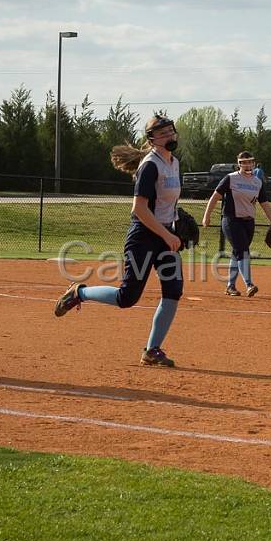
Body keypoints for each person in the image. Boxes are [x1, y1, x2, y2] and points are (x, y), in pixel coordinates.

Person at [54, 115, 184, 367]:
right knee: (127, 297)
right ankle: (79, 292)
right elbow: (140, 209)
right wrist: (166, 234)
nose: (170, 136)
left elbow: (168, 202)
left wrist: (175, 227)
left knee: (174, 290)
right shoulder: (150, 165)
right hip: (144, 237)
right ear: (152, 139)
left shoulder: (175, 163)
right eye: (163, 133)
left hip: (165, 237)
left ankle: (152, 350)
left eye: (171, 131)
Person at [201, 151, 271, 297]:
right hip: (231, 220)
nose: (248, 164)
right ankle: (249, 284)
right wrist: (207, 216)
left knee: (238, 253)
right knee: (243, 251)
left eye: (250, 161)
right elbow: (215, 197)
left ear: (254, 163)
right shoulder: (230, 178)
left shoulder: (257, 182)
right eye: (244, 162)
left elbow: (264, 203)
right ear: (239, 164)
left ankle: (230, 286)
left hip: (249, 222)